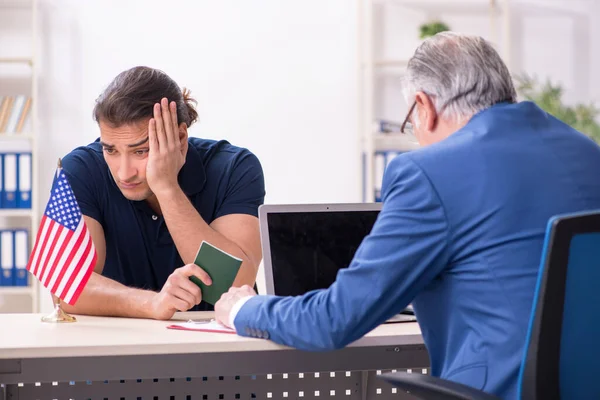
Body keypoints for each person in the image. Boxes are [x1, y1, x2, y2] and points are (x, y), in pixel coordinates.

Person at [215, 32, 600, 399]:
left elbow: (333, 321)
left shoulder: (431, 172)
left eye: (410, 121)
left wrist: (243, 308)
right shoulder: (586, 151)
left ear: (424, 105)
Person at [60, 66, 265, 320]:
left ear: (179, 137)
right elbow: (66, 287)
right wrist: (152, 303)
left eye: (140, 151)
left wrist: (167, 187)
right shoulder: (81, 169)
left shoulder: (234, 167)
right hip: (118, 345)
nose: (124, 173)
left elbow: (235, 286)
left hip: (216, 344)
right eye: (111, 150)